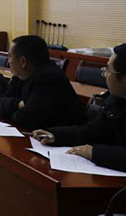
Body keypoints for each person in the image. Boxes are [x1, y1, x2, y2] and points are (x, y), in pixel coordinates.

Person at [33, 43, 126, 172]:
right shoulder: (116, 99)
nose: (105, 75)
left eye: (109, 70)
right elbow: (92, 131)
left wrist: (95, 152)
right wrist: (56, 135)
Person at [0, 35, 83, 130]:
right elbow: (0, 102)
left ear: (23, 62)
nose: (8, 62)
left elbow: (26, 119)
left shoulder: (49, 79)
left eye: (10, 57)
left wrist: (10, 110)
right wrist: (19, 104)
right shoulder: (20, 75)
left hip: (61, 135)